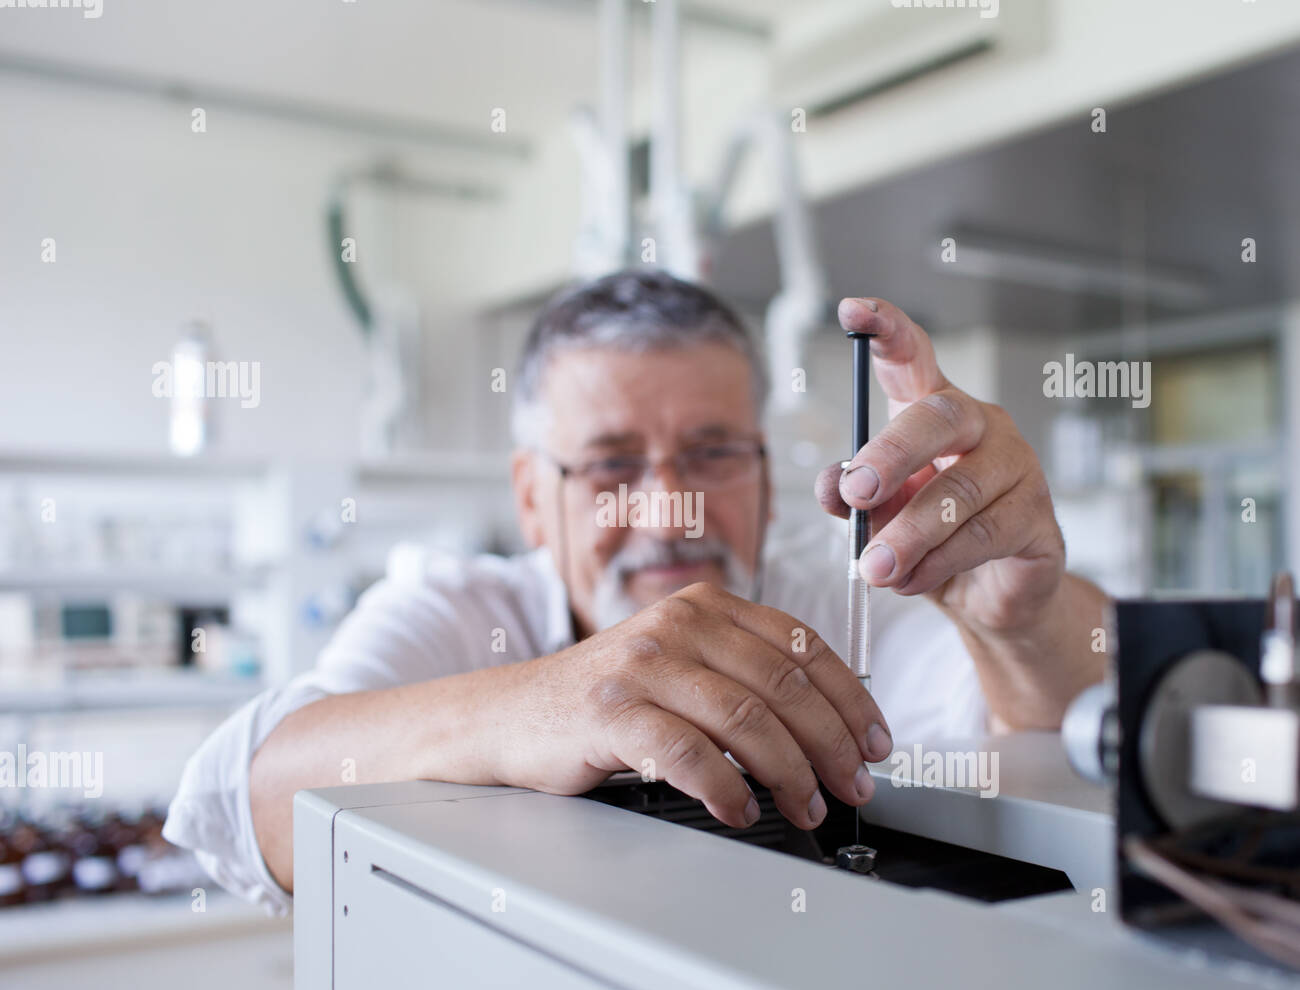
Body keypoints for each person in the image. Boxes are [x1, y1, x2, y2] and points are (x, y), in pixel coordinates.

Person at [163, 269, 1107, 916]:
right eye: (613, 463)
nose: (671, 504)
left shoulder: (850, 605)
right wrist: (540, 698)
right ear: (535, 498)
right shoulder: (462, 615)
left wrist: (1021, 625)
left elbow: (1063, 733)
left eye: (710, 454)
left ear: (766, 473)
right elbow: (244, 800)